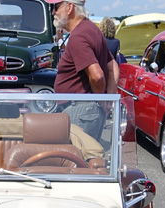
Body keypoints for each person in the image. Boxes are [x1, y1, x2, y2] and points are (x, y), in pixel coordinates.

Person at [46, 0, 117, 140]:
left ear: (70, 7)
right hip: (86, 111)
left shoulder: (78, 37)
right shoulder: (91, 29)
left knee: (74, 159)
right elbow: (113, 65)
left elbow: (97, 76)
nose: (53, 12)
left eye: (56, 7)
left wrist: (102, 102)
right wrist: (108, 100)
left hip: (79, 112)